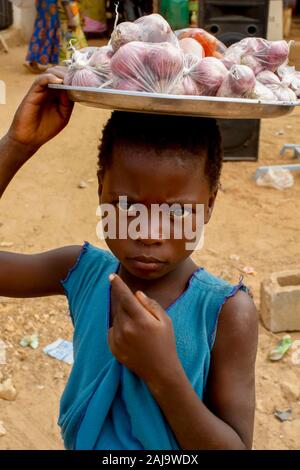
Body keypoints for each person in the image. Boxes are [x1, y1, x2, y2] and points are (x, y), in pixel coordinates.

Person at [0, 74, 258, 450]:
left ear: (210, 205)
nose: (149, 232)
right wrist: (16, 145)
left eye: (177, 211)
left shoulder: (226, 312)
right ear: (101, 186)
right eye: (126, 206)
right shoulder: (81, 272)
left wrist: (163, 374)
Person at [25, 0, 87, 73]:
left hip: (48, 4)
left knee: (48, 28)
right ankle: (36, 60)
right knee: (47, 27)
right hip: (51, 4)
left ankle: (49, 61)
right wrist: (71, 17)